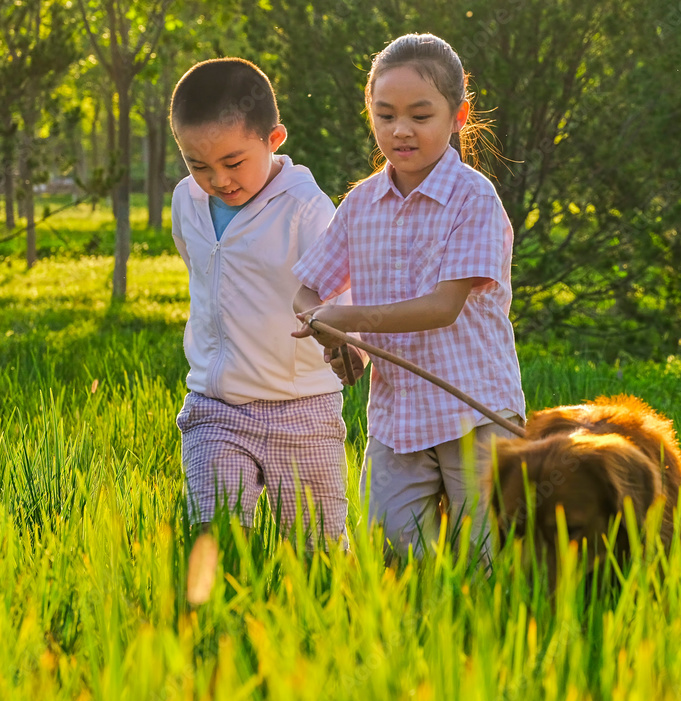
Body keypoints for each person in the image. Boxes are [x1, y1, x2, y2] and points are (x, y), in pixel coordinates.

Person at [292, 33, 526, 560]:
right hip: (397, 418)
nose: (401, 131)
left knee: (487, 557)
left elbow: (442, 308)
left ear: (458, 116)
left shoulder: (474, 199)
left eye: (421, 116)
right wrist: (337, 337)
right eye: (385, 115)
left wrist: (346, 315)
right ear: (370, 115)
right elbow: (307, 290)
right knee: (392, 553)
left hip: (477, 411)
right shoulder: (362, 204)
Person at [169, 57, 349, 547]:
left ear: (273, 140)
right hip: (215, 406)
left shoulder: (306, 209)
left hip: (303, 408)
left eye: (233, 162)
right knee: (217, 540)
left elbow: (341, 291)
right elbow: (202, 274)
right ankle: (213, 623)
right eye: (197, 164)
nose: (218, 180)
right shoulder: (186, 202)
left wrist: (346, 342)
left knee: (318, 552)